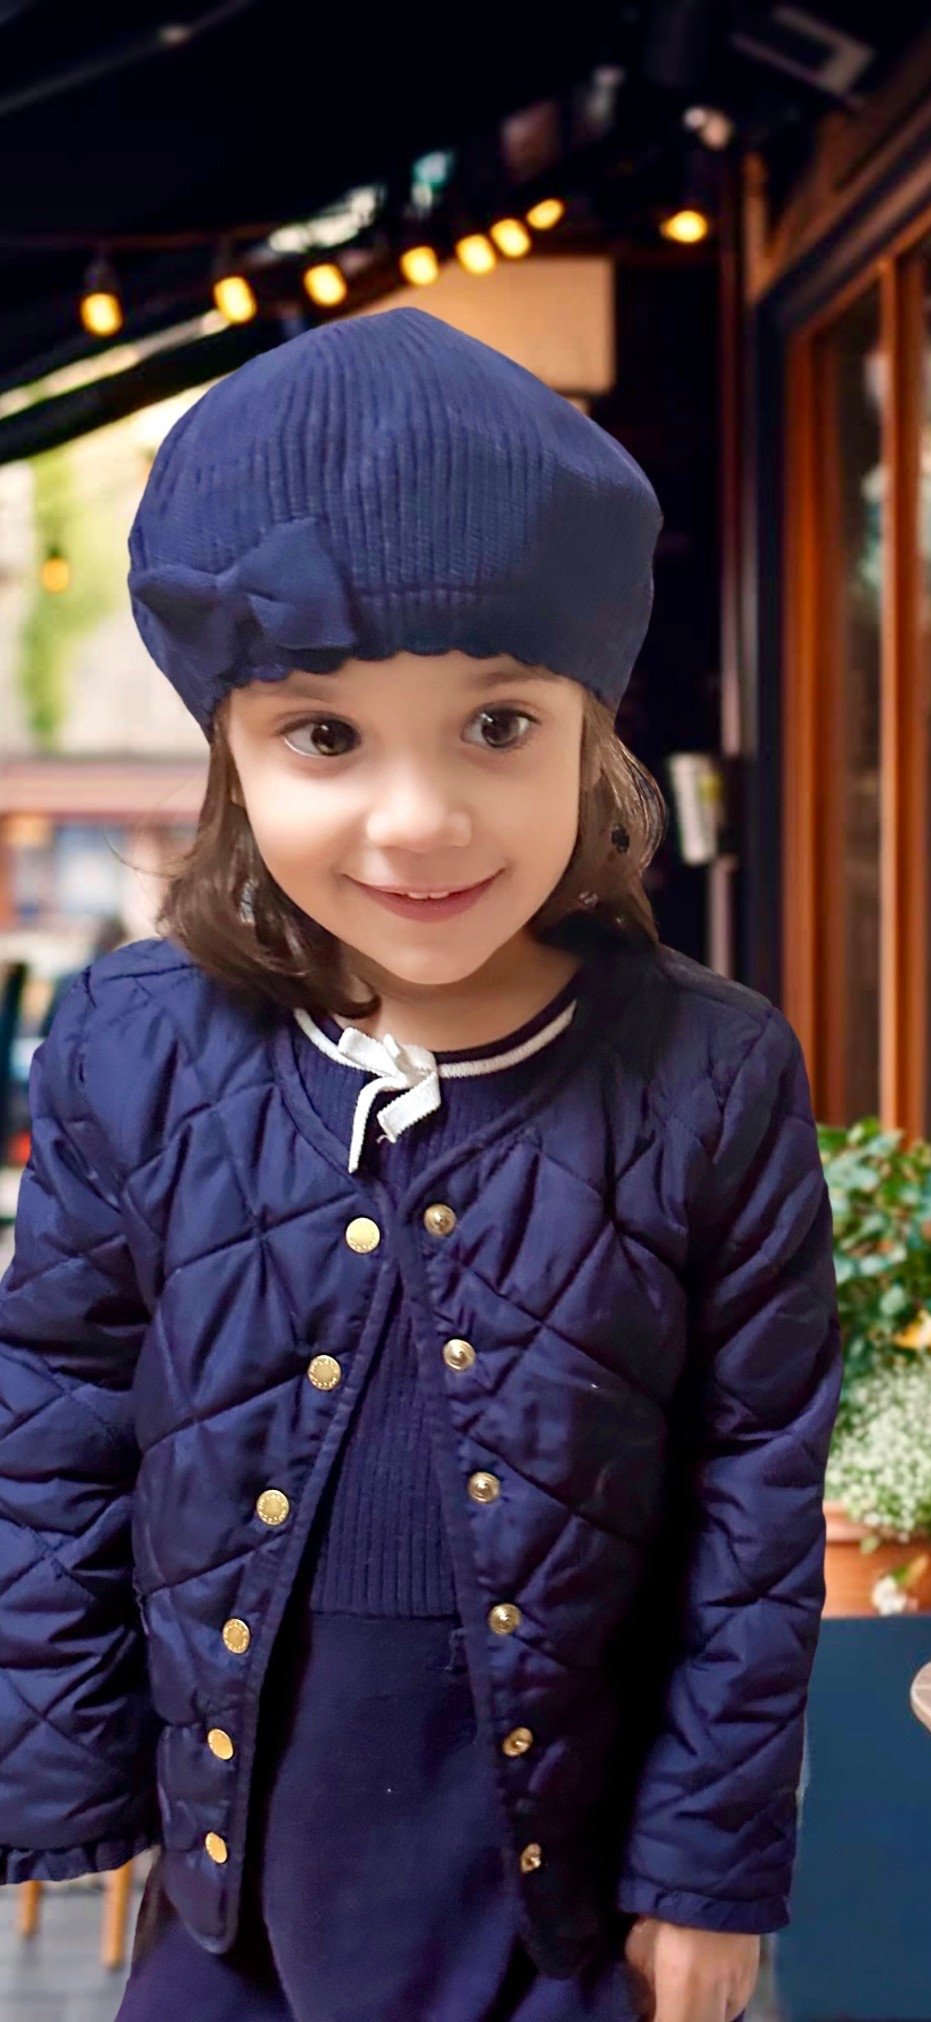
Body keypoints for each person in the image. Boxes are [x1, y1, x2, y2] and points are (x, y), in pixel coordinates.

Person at [0, 309, 842, 2022]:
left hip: (562, 1900)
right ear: (229, 748)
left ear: (593, 727)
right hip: (237, 1891)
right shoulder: (129, 1045)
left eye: (496, 726)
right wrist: (61, 1770)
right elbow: (56, 1420)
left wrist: (707, 1870)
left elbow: (754, 1499)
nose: (418, 820)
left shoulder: (714, 1071)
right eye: (326, 736)